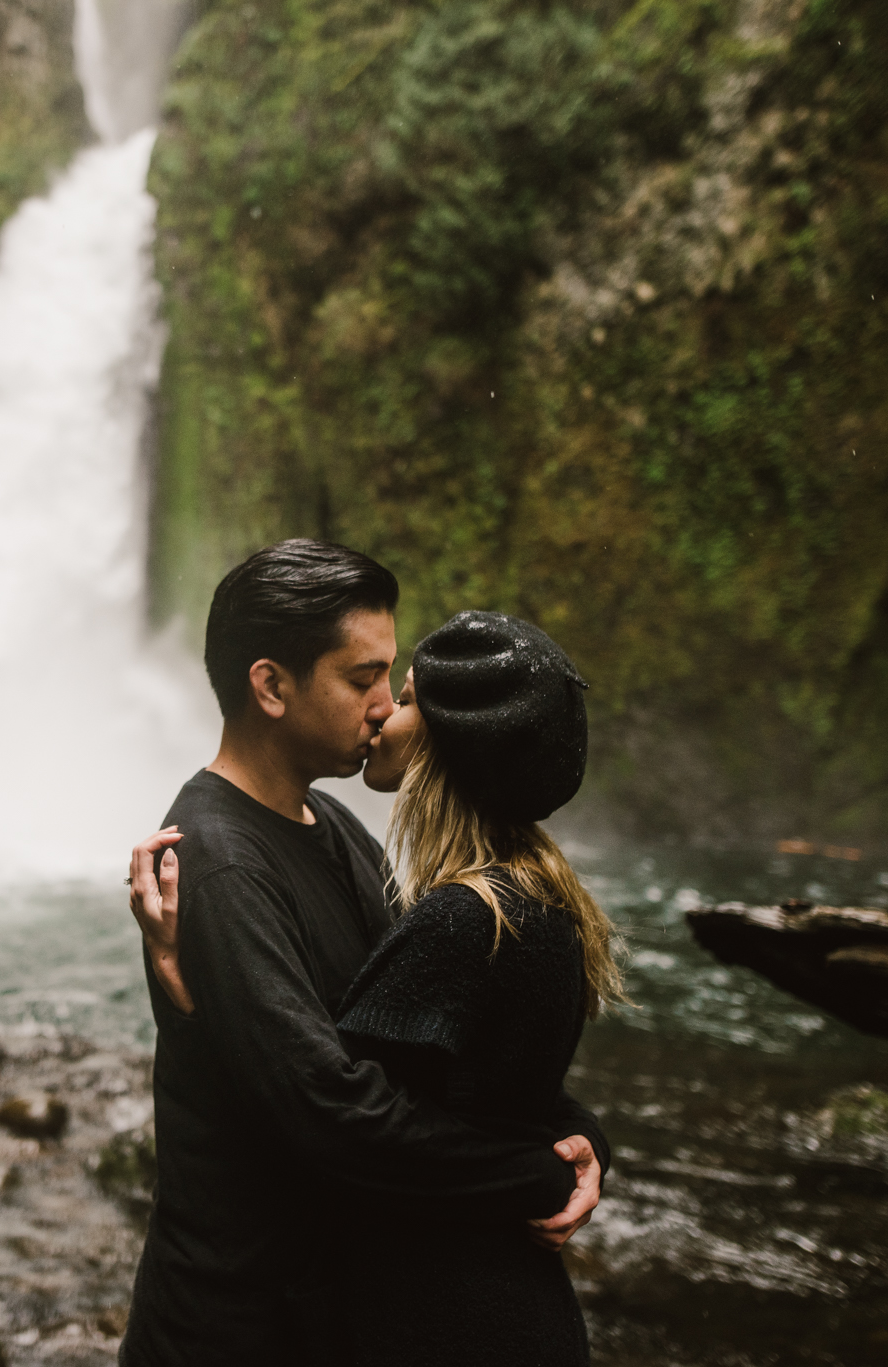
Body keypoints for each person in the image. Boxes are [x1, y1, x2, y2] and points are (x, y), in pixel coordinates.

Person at [117, 541, 609, 1367]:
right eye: (362, 679)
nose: (384, 707)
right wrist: (534, 1170)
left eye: (390, 677)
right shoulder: (219, 859)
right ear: (270, 684)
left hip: (321, 1309)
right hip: (231, 1323)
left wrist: (573, 1133)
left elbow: (435, 1043)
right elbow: (330, 1108)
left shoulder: (334, 827)